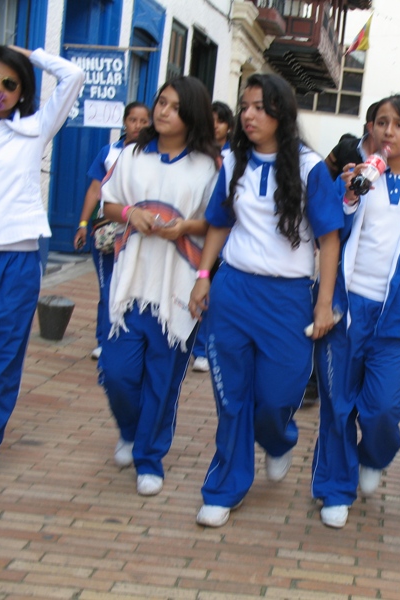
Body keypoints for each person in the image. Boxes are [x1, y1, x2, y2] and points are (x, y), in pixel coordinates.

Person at [189, 74, 342, 528]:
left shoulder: (312, 167)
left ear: (281, 114)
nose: (249, 115)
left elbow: (329, 240)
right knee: (231, 397)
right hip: (234, 289)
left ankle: (278, 440)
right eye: (245, 106)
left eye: (260, 107)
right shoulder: (231, 160)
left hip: (288, 296)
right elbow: (219, 221)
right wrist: (203, 276)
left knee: (277, 397)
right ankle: (224, 487)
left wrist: (323, 303)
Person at [312, 94, 400, 529]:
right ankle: (335, 488)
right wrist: (350, 195)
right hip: (348, 306)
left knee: (386, 406)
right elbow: (331, 233)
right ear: (370, 129)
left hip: (398, 315)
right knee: (337, 404)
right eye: (381, 122)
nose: (388, 131)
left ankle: (373, 454)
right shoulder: (355, 177)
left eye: (399, 125)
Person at [98, 76, 220, 497]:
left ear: (192, 115)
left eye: (173, 106)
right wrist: (130, 213)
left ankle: (149, 457)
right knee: (116, 373)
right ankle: (131, 431)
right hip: (132, 281)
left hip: (178, 285)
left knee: (162, 379)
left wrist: (186, 227)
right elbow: (107, 202)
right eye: (160, 103)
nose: (163, 111)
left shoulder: (208, 166)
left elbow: (216, 222)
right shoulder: (132, 154)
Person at [0, 45, 84, 493]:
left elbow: (74, 76)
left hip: (14, 262)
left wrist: (31, 53)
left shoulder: (35, 129)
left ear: (22, 92)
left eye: (9, 83)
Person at [74, 102, 150, 360]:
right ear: (124, 122)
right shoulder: (109, 151)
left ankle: (128, 338)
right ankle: (104, 338)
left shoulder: (154, 154)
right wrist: (83, 224)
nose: (137, 126)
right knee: (107, 286)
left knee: (134, 287)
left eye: (143, 121)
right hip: (107, 230)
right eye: (132, 120)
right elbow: (95, 191)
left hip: (141, 232)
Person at [190, 99, 235, 373]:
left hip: (219, 235)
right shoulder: (195, 153)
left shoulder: (234, 158)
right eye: (211, 119)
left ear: (229, 127)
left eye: (220, 120)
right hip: (192, 232)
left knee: (209, 290)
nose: (214, 125)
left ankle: (202, 348)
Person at [324, 101, 380, 179]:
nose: (390, 130)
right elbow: (321, 180)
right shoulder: (344, 148)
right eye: (384, 123)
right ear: (371, 127)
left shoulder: (395, 158)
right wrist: (344, 186)